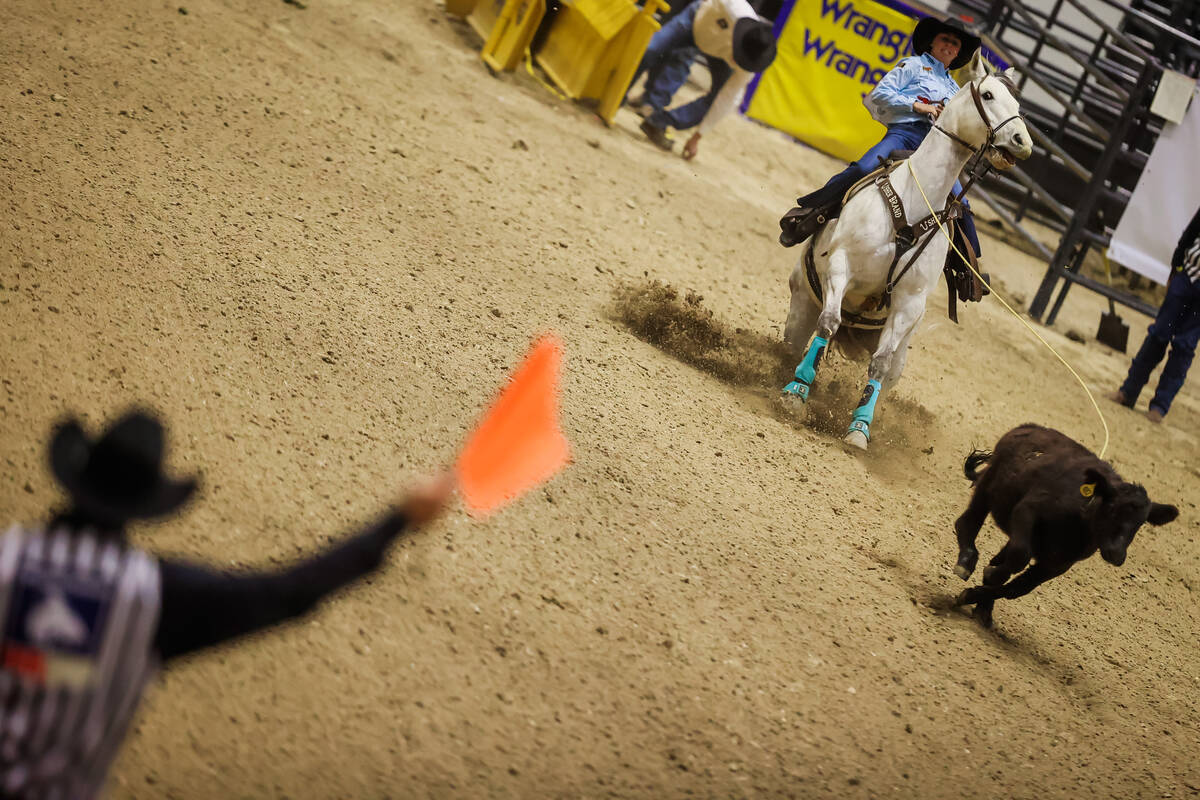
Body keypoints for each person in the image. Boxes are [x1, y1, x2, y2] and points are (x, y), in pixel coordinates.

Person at [0, 409, 453, 797]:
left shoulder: (8, 559)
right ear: (144, 505)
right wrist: (399, 521)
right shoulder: (154, 598)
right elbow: (288, 593)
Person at [778, 15, 985, 266]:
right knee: (863, 168)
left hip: (935, 149)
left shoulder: (955, 89)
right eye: (945, 38)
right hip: (904, 135)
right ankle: (810, 214)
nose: (949, 45)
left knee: (960, 202)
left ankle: (968, 265)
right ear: (932, 42)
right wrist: (918, 106)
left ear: (958, 53)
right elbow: (880, 94)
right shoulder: (911, 65)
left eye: (955, 43)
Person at [630, 0, 777, 160]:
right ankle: (616, 95)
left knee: (716, 97)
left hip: (717, 51)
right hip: (695, 20)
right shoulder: (731, 6)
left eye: (743, 60)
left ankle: (658, 122)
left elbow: (727, 99)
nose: (739, 62)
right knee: (651, 49)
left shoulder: (749, 66)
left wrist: (697, 137)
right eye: (740, 55)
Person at [1111, 206, 1200, 423]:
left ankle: (1159, 407)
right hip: (1188, 273)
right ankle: (1128, 391)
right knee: (1159, 333)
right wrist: (1177, 264)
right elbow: (1192, 231)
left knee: (1184, 345)